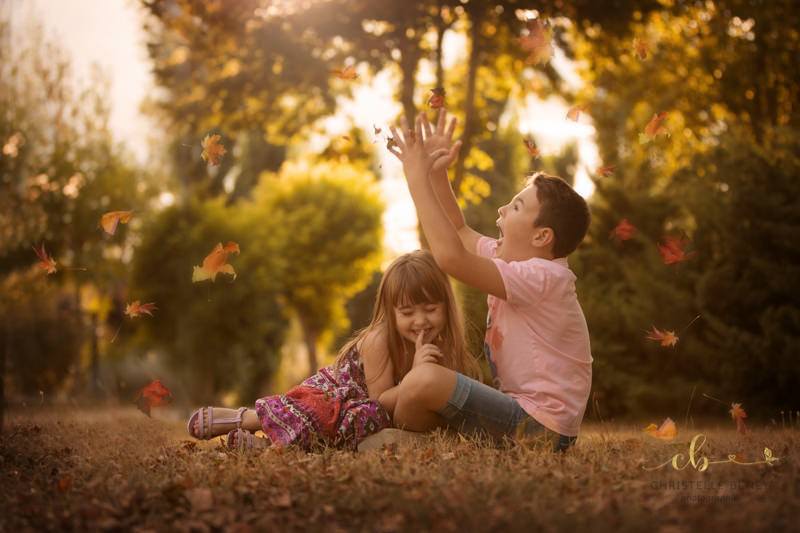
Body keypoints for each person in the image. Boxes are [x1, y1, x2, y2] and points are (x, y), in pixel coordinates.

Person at [386, 109, 593, 452]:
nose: (501, 210)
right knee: (420, 383)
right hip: (519, 415)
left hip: (541, 429)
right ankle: (416, 438)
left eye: (516, 207)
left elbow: (452, 258)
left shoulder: (544, 277)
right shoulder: (509, 260)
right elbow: (458, 232)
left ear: (542, 236)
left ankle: (406, 440)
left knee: (423, 380)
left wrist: (416, 179)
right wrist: (436, 173)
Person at [186, 250, 481, 451]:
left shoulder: (445, 343)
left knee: (344, 430)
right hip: (338, 396)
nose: (420, 321)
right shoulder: (379, 340)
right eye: (407, 312)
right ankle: (247, 418)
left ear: (447, 307)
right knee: (326, 416)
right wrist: (416, 376)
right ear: (391, 312)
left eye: (430, 309)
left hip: (361, 416)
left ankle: (263, 447)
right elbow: (380, 402)